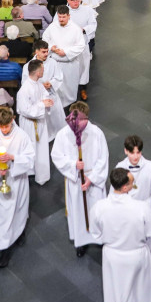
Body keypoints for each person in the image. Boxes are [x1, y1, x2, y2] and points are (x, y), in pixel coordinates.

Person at [89, 167, 151, 302]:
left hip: (112, 256)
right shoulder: (141, 207)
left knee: (115, 292)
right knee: (140, 292)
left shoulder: (98, 208)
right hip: (137, 255)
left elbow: (95, 233)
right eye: (131, 183)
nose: (133, 185)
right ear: (124, 188)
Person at [51, 101, 109, 256]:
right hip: (75, 179)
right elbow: (56, 155)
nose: (76, 124)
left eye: (80, 120)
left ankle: (99, 237)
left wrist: (91, 178)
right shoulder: (64, 134)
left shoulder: (96, 133)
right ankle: (81, 241)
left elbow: (103, 159)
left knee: (96, 210)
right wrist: (74, 165)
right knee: (79, 211)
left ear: (87, 119)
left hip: (93, 179)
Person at [0, 107, 35, 267]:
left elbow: (30, 158)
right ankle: (4, 248)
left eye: (7, 126)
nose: (4, 130)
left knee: (19, 208)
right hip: (0, 180)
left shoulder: (22, 136)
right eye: (1, 126)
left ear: (12, 120)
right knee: (2, 213)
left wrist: (13, 157)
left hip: (17, 180)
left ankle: (19, 232)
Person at [115, 135, 151, 262]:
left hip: (146, 210)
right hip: (128, 211)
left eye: (138, 152)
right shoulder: (119, 168)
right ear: (125, 151)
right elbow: (115, 193)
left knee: (148, 245)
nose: (135, 156)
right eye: (132, 152)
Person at [16, 59, 65, 185]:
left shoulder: (37, 83)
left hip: (39, 120)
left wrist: (47, 101)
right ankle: (31, 171)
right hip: (30, 123)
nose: (44, 71)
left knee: (41, 148)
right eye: (43, 70)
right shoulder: (24, 90)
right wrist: (42, 104)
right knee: (32, 147)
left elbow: (44, 94)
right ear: (38, 73)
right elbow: (25, 110)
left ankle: (40, 172)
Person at [42, 5, 86, 106]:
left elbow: (80, 46)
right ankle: (56, 105)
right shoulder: (53, 26)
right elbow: (45, 38)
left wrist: (65, 52)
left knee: (69, 87)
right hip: (54, 62)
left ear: (69, 16)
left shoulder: (75, 29)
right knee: (55, 87)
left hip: (69, 64)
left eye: (63, 17)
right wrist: (50, 47)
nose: (61, 19)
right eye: (59, 17)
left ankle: (70, 105)